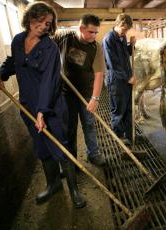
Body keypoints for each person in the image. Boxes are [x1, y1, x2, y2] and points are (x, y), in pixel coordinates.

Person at [0, 2, 86, 208]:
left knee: (61, 147)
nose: (43, 26)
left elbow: (49, 82)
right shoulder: (17, 41)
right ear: (30, 18)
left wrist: (43, 111)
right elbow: (13, 61)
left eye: (48, 23)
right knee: (42, 147)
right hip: (28, 107)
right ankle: (53, 185)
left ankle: (74, 190)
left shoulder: (49, 47)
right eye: (40, 20)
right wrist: (0, 72)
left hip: (51, 109)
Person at [53, 14, 106, 166]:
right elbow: (45, 45)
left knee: (89, 124)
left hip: (86, 93)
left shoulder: (96, 47)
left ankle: (93, 154)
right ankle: (71, 160)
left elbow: (99, 74)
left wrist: (95, 98)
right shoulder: (64, 38)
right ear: (81, 28)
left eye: (96, 32)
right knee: (69, 128)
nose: (95, 35)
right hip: (66, 94)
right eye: (91, 32)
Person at [102, 13, 136, 144]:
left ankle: (129, 134)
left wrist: (131, 46)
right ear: (117, 25)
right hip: (116, 81)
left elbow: (126, 54)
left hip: (126, 78)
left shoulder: (122, 37)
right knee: (118, 110)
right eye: (124, 29)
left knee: (128, 108)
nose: (125, 32)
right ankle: (117, 137)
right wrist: (128, 78)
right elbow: (112, 63)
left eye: (127, 30)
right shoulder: (108, 39)